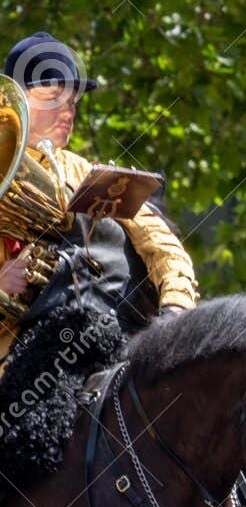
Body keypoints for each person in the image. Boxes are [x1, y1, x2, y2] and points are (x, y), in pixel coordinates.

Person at [0, 32, 197, 339]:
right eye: (54, 97)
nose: (69, 111)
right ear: (15, 101)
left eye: (73, 101)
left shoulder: (84, 171)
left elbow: (159, 242)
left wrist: (176, 306)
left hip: (91, 336)